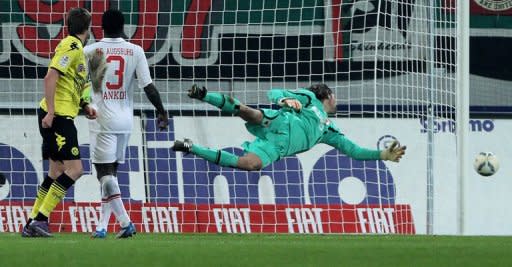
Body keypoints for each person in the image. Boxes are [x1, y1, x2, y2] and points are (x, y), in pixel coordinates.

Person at [172, 84, 406, 171]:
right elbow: (274, 92)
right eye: (335, 96)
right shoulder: (309, 98)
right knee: (248, 111)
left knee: (249, 165)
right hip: (278, 120)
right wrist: (284, 101)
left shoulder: (329, 130)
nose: (337, 100)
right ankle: (204, 95)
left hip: (277, 146)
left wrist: (382, 155)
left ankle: (191, 147)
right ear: (328, 96)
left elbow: (354, 151)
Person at [83, 9, 168, 239]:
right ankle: (101, 226)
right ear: (123, 27)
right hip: (125, 120)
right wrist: (161, 111)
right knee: (112, 177)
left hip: (101, 118)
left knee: (104, 175)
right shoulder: (135, 50)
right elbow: (148, 86)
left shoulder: (91, 50)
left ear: (100, 27)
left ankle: (125, 222)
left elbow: (78, 84)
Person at [22, 7, 96, 237]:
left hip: (63, 114)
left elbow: (77, 83)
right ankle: (40, 220)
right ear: (87, 27)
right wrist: (52, 112)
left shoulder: (79, 52)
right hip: (58, 117)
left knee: (55, 171)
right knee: (75, 170)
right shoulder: (71, 46)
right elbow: (51, 76)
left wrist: (86, 106)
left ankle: (32, 222)